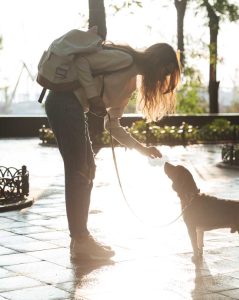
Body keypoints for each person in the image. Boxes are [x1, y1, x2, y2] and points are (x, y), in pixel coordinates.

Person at [45, 35, 181, 261]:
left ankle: (80, 240)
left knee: (87, 170)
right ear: (157, 62)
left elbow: (113, 125)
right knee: (79, 172)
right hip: (63, 102)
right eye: (165, 72)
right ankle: (80, 240)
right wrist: (92, 96)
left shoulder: (130, 83)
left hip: (73, 107)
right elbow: (82, 62)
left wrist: (143, 150)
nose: (162, 79)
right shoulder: (123, 59)